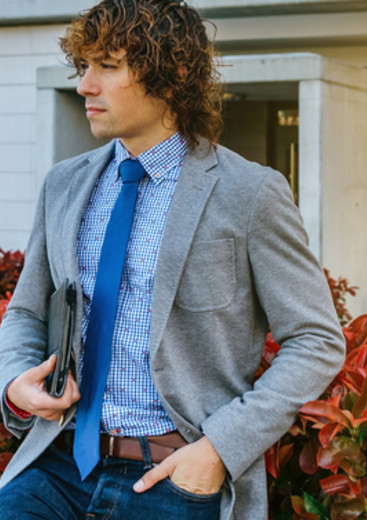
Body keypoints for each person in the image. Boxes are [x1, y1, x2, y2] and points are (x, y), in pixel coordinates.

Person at [0, 0, 345, 518]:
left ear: (172, 75)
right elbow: (27, 311)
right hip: (58, 463)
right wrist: (15, 382)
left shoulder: (250, 193)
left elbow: (316, 339)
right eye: (84, 66)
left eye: (107, 66)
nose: (85, 86)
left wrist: (218, 450)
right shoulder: (64, 184)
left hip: (175, 474)